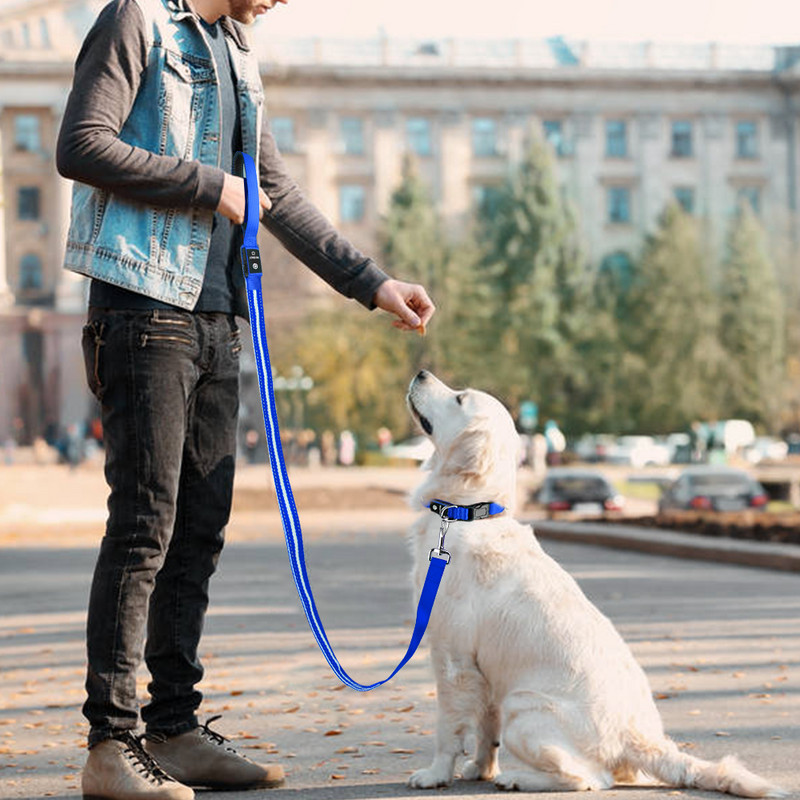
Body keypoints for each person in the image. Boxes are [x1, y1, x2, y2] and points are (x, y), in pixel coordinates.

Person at [55, 0, 436, 797]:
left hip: (219, 316)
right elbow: (81, 145)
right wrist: (206, 185)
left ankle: (176, 728)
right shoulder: (137, 19)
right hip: (143, 305)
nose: (280, 0)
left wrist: (372, 284)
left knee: (200, 529)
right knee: (144, 526)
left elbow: (272, 192)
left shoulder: (236, 49)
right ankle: (110, 744)